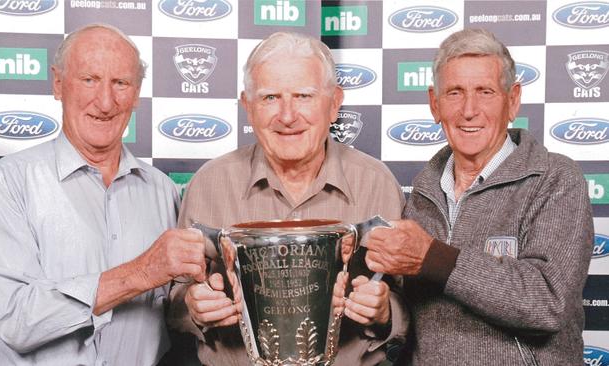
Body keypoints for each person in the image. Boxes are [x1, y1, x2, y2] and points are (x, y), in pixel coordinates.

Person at [0, 23, 206, 366]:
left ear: (137, 92)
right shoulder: (6, 183)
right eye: (90, 80)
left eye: (120, 83)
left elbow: (174, 313)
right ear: (58, 84)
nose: (106, 101)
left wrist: (203, 300)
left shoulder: (162, 190)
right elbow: (16, 321)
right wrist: (141, 272)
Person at [167, 32, 408, 366]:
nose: (288, 115)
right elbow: (173, 301)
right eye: (269, 98)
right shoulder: (209, 184)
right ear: (247, 107)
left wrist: (385, 311)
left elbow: (411, 301)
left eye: (303, 96)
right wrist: (192, 307)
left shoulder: (377, 184)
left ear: (334, 103)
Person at [364, 28, 594, 365]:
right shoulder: (423, 191)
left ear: (512, 100)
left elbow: (548, 302)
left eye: (485, 92)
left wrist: (434, 258)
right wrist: (382, 309)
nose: (469, 110)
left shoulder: (555, 179)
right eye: (454, 93)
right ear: (434, 104)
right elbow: (411, 311)